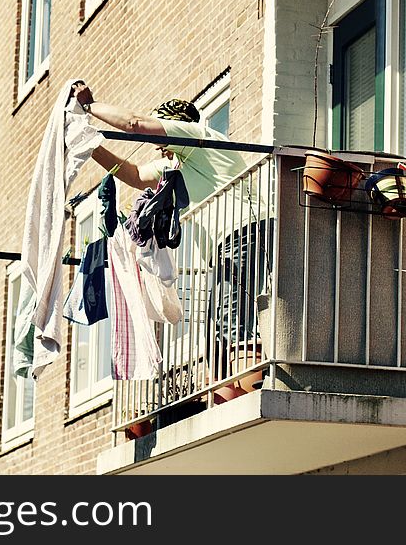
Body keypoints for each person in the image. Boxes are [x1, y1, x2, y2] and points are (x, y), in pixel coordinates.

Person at [71, 81, 273, 382]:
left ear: (175, 127)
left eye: (161, 134)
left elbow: (134, 124)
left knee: (230, 317)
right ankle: (223, 387)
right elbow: (136, 175)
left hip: (242, 230)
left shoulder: (195, 137)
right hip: (230, 242)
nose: (157, 145)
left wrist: (90, 106)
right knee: (216, 327)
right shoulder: (179, 163)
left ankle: (244, 382)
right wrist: (86, 143)